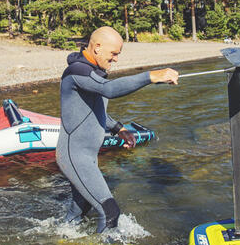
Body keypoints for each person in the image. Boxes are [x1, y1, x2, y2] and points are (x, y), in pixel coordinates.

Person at [56, 26, 178, 233]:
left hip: (86, 157)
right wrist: (150, 76)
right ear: (96, 48)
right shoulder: (78, 72)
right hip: (75, 156)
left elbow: (92, 110)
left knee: (78, 213)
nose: (116, 59)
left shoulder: (95, 73)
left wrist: (118, 128)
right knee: (110, 212)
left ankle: (59, 243)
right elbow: (109, 90)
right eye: (114, 54)